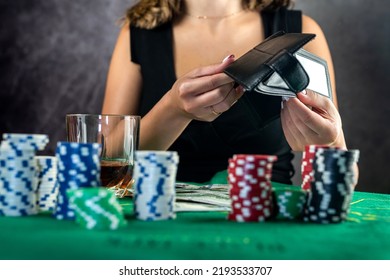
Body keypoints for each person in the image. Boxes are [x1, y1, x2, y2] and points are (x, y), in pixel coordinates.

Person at [102, 0, 357, 185]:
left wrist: (331, 143)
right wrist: (172, 109)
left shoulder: (299, 29)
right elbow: (106, 165)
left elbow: (342, 178)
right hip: (163, 221)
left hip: (266, 225)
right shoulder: (137, 33)